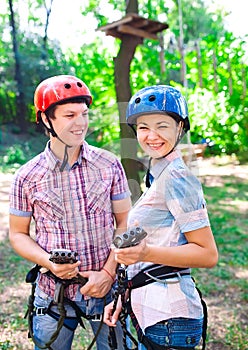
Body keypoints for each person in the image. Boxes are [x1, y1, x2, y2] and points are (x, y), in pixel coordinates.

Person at [9, 75, 132, 350]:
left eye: (84, 114)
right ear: (45, 119)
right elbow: (18, 234)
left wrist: (109, 274)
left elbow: (124, 222)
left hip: (106, 289)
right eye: (70, 115)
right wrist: (47, 261)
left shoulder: (109, 164)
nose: (81, 123)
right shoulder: (27, 176)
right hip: (53, 294)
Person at [104, 85, 219, 349]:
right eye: (143, 127)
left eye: (162, 126)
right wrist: (126, 294)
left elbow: (207, 254)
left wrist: (144, 253)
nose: (151, 136)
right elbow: (161, 242)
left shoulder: (178, 179)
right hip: (154, 315)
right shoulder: (160, 176)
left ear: (180, 128)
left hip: (170, 321)